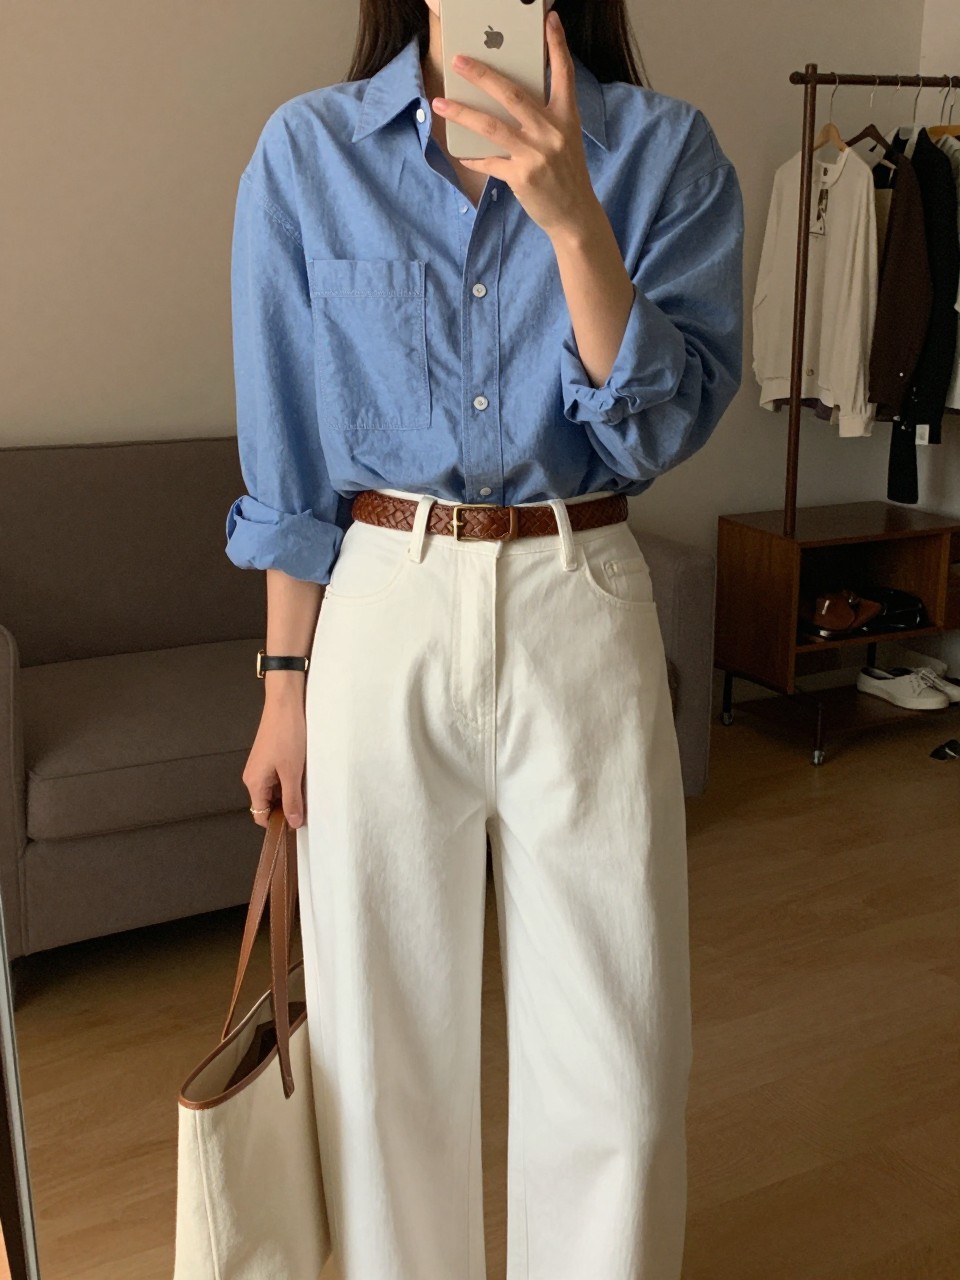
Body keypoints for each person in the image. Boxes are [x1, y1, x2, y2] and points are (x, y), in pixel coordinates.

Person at [225, 1, 744, 1276]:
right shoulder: (308, 153)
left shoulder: (665, 152)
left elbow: (653, 432)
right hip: (381, 605)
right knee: (378, 1063)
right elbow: (292, 466)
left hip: (582, 589)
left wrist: (574, 221)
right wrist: (283, 686)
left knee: (621, 1070)